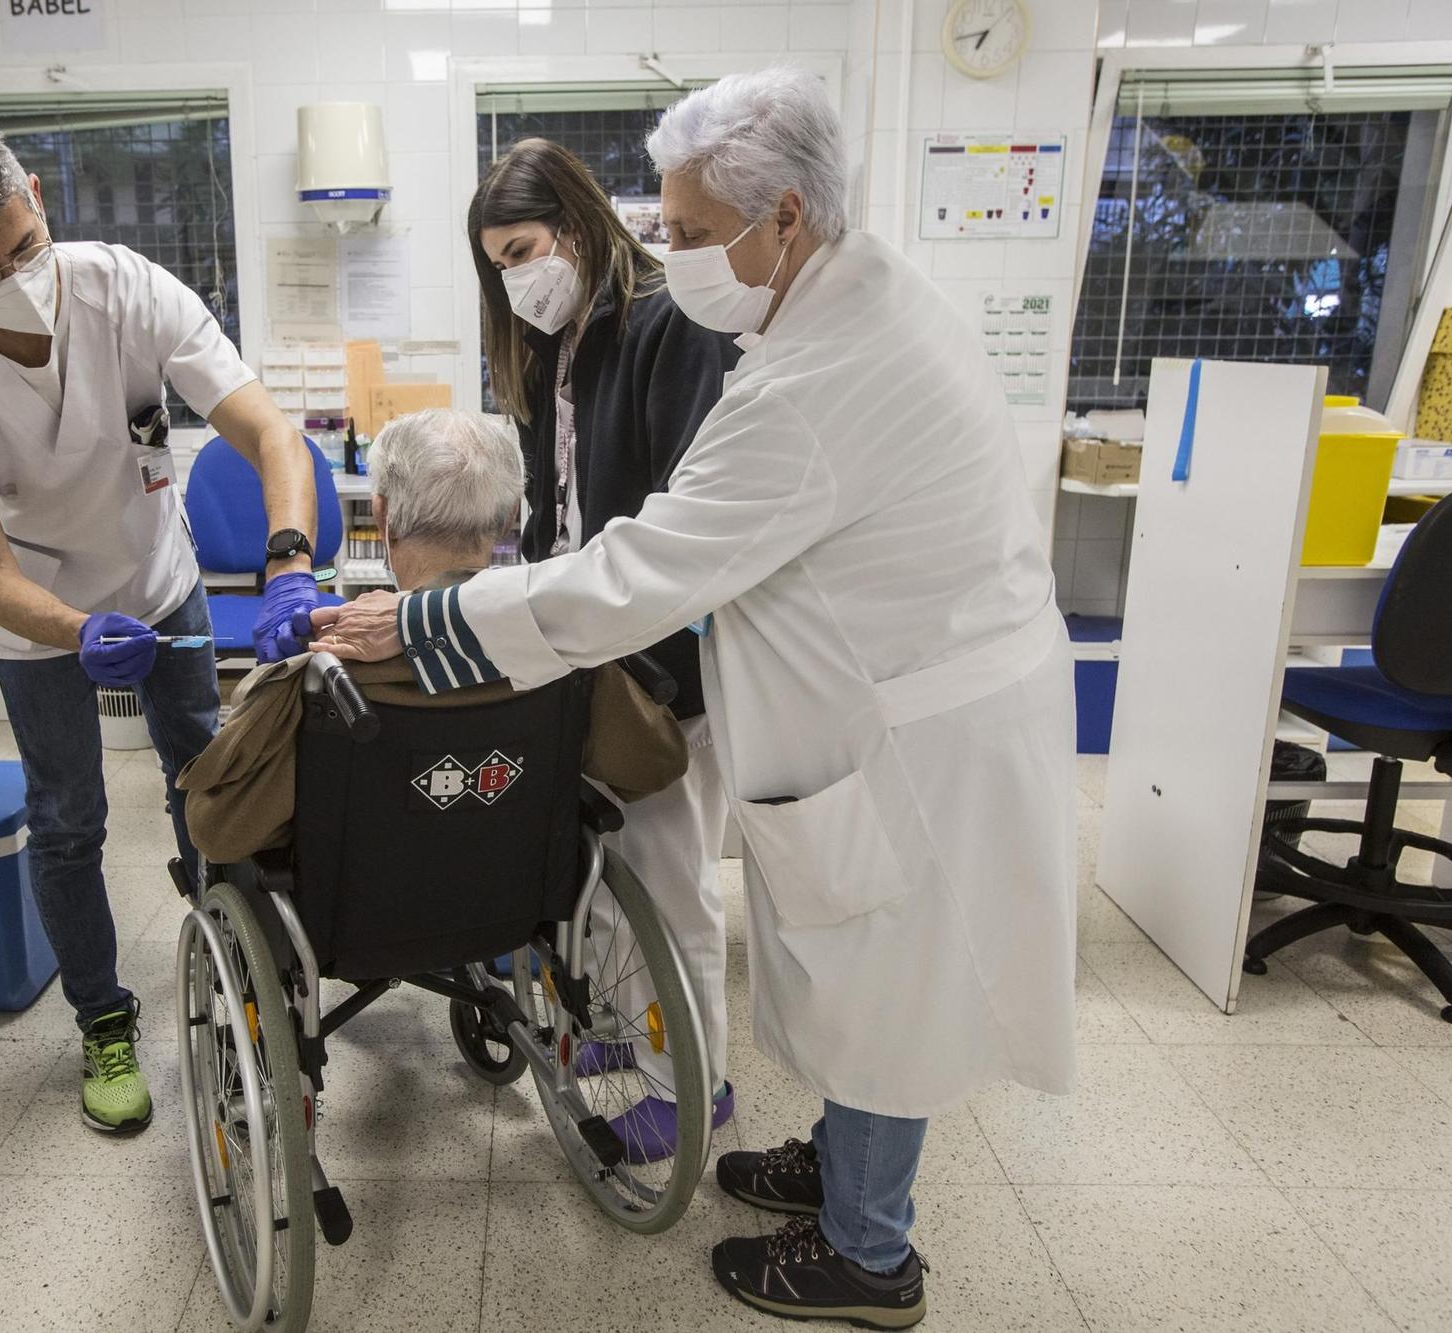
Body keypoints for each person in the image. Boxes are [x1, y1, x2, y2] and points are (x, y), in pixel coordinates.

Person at [311, 68, 1077, 1327]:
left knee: (883, 989)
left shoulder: (804, 382)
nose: (663, 254)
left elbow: (645, 565)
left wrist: (431, 615)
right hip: (898, 698)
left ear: (783, 218)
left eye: (681, 232)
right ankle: (838, 1172)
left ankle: (865, 1257)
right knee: (860, 970)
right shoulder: (850, 303)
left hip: (914, 735)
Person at [0, 101, 327, 1138]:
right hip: (32, 619)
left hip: (159, 579)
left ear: (33, 194)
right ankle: (102, 1018)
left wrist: (290, 560)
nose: (14, 282)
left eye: (23, 248)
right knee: (68, 817)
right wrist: (72, 630)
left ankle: (235, 967)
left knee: (206, 776)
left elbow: (265, 429)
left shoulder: (126, 285)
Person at [468, 137, 742, 1161]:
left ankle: (695, 1088)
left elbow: (686, 522)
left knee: (672, 887)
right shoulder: (558, 345)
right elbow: (554, 511)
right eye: (496, 262)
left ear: (578, 228)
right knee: (612, 873)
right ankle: (634, 1033)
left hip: (669, 664)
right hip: (594, 652)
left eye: (522, 249)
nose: (513, 276)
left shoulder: (674, 325)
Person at [176, 407, 685, 861]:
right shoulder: (561, 648)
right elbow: (655, 767)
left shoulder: (324, 676)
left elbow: (218, 831)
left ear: (381, 515)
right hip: (514, 897)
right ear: (511, 516)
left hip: (361, 916)